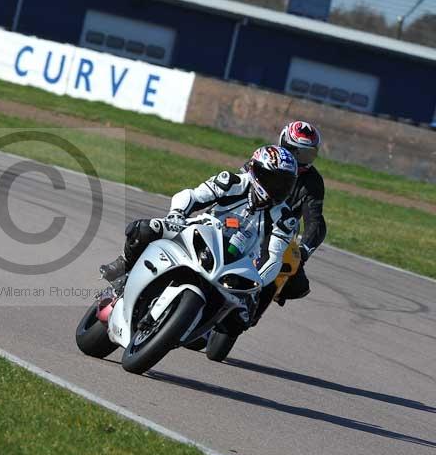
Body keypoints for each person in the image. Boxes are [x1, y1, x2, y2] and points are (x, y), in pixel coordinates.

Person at [99, 145, 299, 334]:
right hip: (199, 234)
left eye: (285, 184)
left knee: (241, 321)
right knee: (144, 229)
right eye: (274, 180)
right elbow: (192, 196)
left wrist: (257, 283)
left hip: (236, 264)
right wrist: (177, 213)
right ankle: (124, 266)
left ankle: (200, 326)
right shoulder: (232, 182)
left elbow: (274, 257)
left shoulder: (284, 218)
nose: (278, 188)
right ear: (257, 172)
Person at [250, 121, 326, 324]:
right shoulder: (266, 157)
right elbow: (241, 182)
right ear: (285, 144)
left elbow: (316, 220)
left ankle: (257, 304)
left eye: (309, 155)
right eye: (299, 153)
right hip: (248, 217)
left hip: (280, 230)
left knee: (298, 284)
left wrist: (303, 252)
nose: (304, 160)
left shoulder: (313, 181)